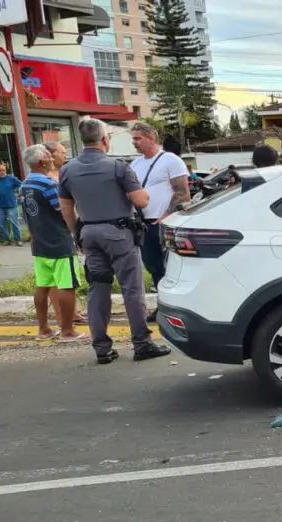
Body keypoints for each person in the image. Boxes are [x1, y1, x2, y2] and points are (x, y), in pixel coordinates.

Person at [58, 117, 170, 364]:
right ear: (105, 140)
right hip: (119, 234)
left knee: (98, 289)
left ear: (82, 140)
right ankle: (142, 344)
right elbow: (141, 201)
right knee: (132, 289)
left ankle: (102, 349)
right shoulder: (118, 167)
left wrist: (77, 233)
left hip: (88, 233)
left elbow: (66, 207)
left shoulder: (67, 169)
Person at [20, 145, 87, 343]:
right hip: (58, 242)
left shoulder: (26, 184)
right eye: (49, 157)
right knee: (67, 286)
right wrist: (77, 231)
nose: (51, 160)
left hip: (39, 244)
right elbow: (63, 210)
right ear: (41, 162)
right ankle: (67, 331)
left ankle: (43, 329)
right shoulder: (48, 184)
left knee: (42, 286)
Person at [130, 122, 190, 322]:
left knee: (170, 267)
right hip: (144, 223)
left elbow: (182, 192)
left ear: (151, 138)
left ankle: (179, 308)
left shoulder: (170, 160)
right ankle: (162, 306)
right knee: (154, 267)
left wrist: (166, 215)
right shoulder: (136, 164)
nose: (134, 142)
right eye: (133, 138)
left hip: (166, 223)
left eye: (138, 138)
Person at [0, 162, 22, 246]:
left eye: (3, 170)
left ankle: (18, 240)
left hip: (11, 205)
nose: (2, 171)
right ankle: (6, 240)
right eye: (0, 170)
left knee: (14, 223)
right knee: (1, 223)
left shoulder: (11, 178)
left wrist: (19, 194)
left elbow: (22, 185)